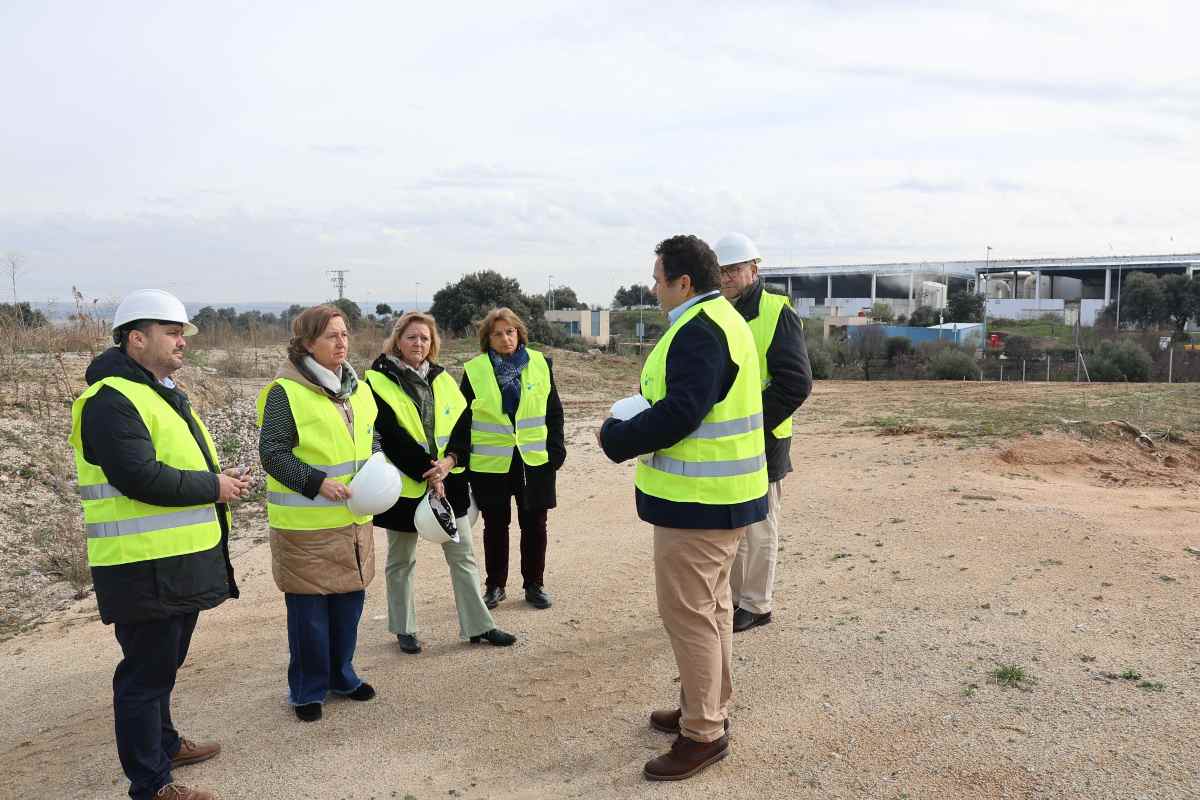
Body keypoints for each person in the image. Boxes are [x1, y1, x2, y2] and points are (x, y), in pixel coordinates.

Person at [69, 289, 250, 800]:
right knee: (144, 677)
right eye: (172, 332)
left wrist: (214, 477)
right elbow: (139, 477)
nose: (182, 343)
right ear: (136, 338)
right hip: (139, 567)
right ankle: (151, 785)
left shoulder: (157, 390)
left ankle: (165, 744)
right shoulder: (109, 400)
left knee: (161, 668)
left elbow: (171, 465)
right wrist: (213, 487)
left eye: (183, 333)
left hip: (171, 563)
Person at [598, 235, 767, 781]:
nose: (653, 287)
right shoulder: (723, 318)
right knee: (712, 612)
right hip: (724, 501)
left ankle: (703, 734)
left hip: (697, 505)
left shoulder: (700, 330)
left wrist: (617, 438)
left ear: (683, 283)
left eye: (657, 277)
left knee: (691, 617)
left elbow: (681, 412)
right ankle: (707, 707)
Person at [365, 312, 517, 653]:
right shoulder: (375, 380)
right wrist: (428, 471)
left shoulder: (445, 380)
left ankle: (480, 626)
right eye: (412, 337)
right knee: (401, 560)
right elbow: (389, 433)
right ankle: (404, 628)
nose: (419, 344)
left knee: (463, 556)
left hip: (449, 481)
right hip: (404, 484)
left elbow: (463, 428)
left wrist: (449, 462)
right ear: (397, 340)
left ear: (433, 344)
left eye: (425, 339)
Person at [256, 304, 380, 723]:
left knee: (349, 607)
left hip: (354, 521)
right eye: (331, 336)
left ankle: (342, 676)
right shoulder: (285, 392)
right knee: (309, 617)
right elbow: (272, 453)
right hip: (306, 526)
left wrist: (380, 471)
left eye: (345, 334)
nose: (341, 342)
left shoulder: (357, 388)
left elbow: (371, 438)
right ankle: (307, 690)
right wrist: (316, 482)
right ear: (308, 344)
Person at [714, 232, 812, 632]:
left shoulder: (776, 312)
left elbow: (795, 382)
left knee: (759, 524)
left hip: (764, 436)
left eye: (735, 269)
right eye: (721, 271)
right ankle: (737, 598)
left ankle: (757, 604)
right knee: (735, 522)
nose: (727, 278)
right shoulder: (720, 312)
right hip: (730, 438)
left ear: (754, 269)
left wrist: (754, 422)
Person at [460, 307, 565, 611]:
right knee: (495, 525)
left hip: (535, 460)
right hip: (490, 464)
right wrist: (462, 460)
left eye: (510, 332)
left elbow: (553, 411)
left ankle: (534, 584)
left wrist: (556, 451)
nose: (505, 338)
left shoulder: (541, 364)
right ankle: (495, 586)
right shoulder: (475, 370)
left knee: (535, 524)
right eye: (497, 333)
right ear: (487, 338)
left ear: (519, 333)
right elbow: (463, 419)